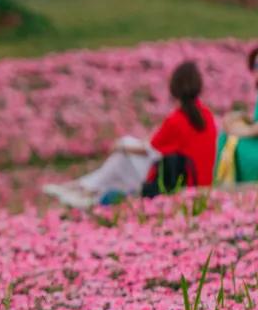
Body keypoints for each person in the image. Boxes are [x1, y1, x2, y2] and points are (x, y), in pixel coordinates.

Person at [44, 61, 217, 208]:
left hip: (181, 181)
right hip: (200, 180)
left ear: (174, 88)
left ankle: (83, 188)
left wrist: (122, 145)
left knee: (123, 152)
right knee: (124, 156)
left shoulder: (177, 119)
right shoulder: (207, 115)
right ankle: (84, 188)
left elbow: (150, 148)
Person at [216, 44, 258, 184]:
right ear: (254, 72)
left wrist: (237, 131)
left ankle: (228, 189)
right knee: (227, 139)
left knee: (230, 143)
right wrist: (240, 116)